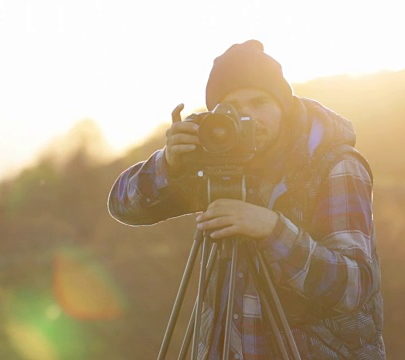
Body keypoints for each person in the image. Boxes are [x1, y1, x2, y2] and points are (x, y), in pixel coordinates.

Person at [108, 40, 385, 359]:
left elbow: (352, 287)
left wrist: (271, 229)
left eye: (259, 102)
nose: (249, 117)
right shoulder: (214, 160)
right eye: (233, 109)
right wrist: (168, 164)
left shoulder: (333, 165)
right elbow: (122, 205)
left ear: (283, 105)